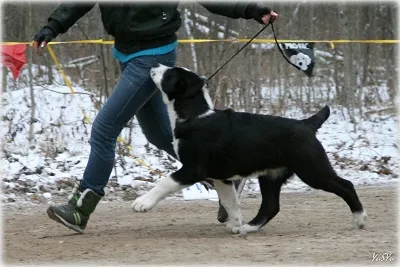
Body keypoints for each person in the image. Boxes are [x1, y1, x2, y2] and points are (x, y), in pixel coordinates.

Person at [33, 2, 278, 234]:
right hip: (126, 53)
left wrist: (249, 8)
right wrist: (53, 26)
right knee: (160, 134)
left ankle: (80, 208)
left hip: (154, 54)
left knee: (104, 129)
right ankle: (222, 176)